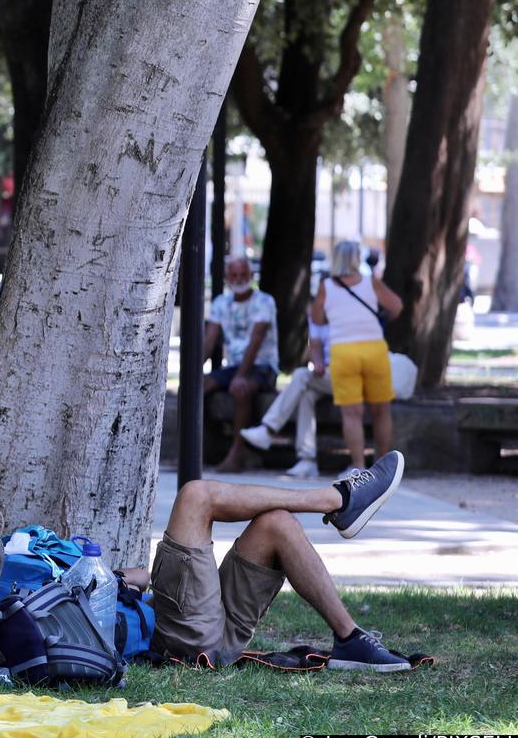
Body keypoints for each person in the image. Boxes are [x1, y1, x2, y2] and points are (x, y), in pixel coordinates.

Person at [151, 452, 412, 671]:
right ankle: (335, 499)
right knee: (196, 496)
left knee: (277, 523)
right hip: (181, 635)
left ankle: (350, 638)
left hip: (217, 633)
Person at [239, 314, 417, 478]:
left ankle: (270, 429)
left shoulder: (349, 314)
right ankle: (307, 459)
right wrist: (318, 364)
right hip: (329, 376)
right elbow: (314, 347)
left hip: (354, 376)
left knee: (301, 376)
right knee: (307, 394)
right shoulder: (316, 317)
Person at [311, 240, 405, 473]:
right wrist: (383, 319)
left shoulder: (326, 287)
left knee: (351, 414)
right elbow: (397, 306)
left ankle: (358, 466)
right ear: (357, 258)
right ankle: (382, 468)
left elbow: (317, 319)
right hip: (374, 349)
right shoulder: (370, 282)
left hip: (343, 351)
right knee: (381, 411)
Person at [203, 255, 278, 471]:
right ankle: (205, 448)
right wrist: (193, 373)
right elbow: (209, 341)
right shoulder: (220, 303)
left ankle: (237, 453)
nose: (239, 279)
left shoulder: (264, 301)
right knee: (196, 388)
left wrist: (241, 375)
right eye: (234, 275)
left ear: (251, 275)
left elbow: (256, 340)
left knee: (239, 388)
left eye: (243, 274)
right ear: (227, 278)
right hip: (234, 366)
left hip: (262, 366)